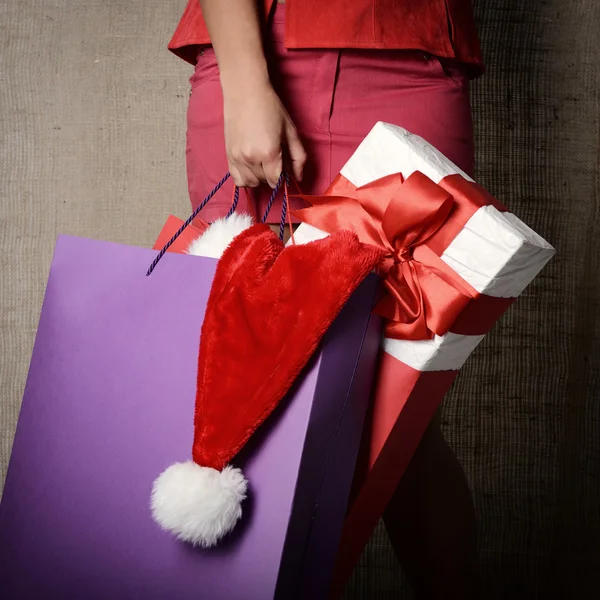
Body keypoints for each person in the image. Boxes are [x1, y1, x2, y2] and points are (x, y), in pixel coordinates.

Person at [169, 1, 483, 597]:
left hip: (407, 56)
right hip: (257, 47)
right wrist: (246, 81)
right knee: (236, 396)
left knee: (401, 422)